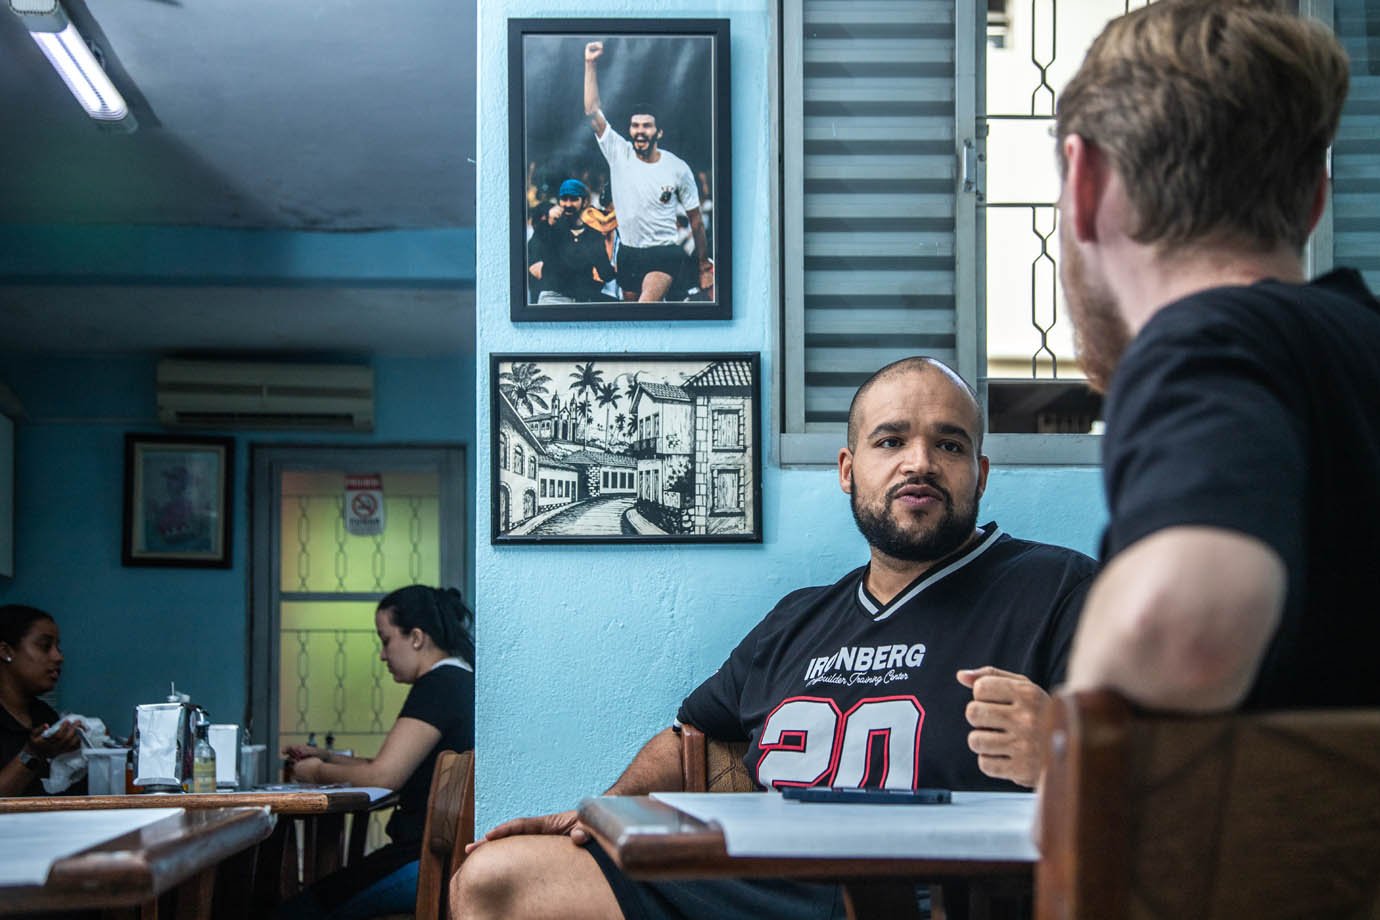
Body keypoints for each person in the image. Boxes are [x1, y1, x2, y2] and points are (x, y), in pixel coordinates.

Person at [452, 357, 1097, 920]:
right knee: (496, 880)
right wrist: (605, 809)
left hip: (946, 899)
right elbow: (689, 738)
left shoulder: (1057, 588)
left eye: (949, 446)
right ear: (848, 469)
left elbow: (1165, 778)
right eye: (890, 440)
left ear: (980, 472)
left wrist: (1063, 754)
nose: (919, 463)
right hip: (762, 891)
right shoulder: (798, 619)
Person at [1052, 0, 1380, 713]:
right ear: (1315, 200)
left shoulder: (1201, 344)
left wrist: (1070, 757)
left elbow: (1184, 633)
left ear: (1085, 183)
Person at [278, 585, 476, 919]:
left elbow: (384, 776)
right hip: (438, 856)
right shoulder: (459, 679)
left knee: (300, 909)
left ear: (416, 637)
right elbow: (395, 767)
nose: (383, 655)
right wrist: (327, 757)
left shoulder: (439, 685)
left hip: (422, 861)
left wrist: (313, 772)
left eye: (385, 640)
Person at [583, 40, 713, 302]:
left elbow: (697, 221)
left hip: (664, 253)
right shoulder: (619, 152)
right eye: (635, 126)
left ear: (658, 132)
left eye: (647, 126)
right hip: (629, 253)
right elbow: (592, 111)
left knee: (646, 307)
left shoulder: (677, 167)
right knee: (634, 320)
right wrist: (590, 64)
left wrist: (702, 264)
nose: (640, 130)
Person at [0, 604, 82, 797]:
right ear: (5, 651)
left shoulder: (43, 715)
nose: (58, 657)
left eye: (57, 647)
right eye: (45, 647)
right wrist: (33, 754)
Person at [528, 178, 618, 304]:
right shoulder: (550, 228)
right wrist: (549, 223)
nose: (568, 204)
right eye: (564, 199)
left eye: (574, 199)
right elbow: (534, 251)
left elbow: (605, 273)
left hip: (583, 299)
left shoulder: (593, 235)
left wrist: (620, 269)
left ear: (584, 202)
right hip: (554, 297)